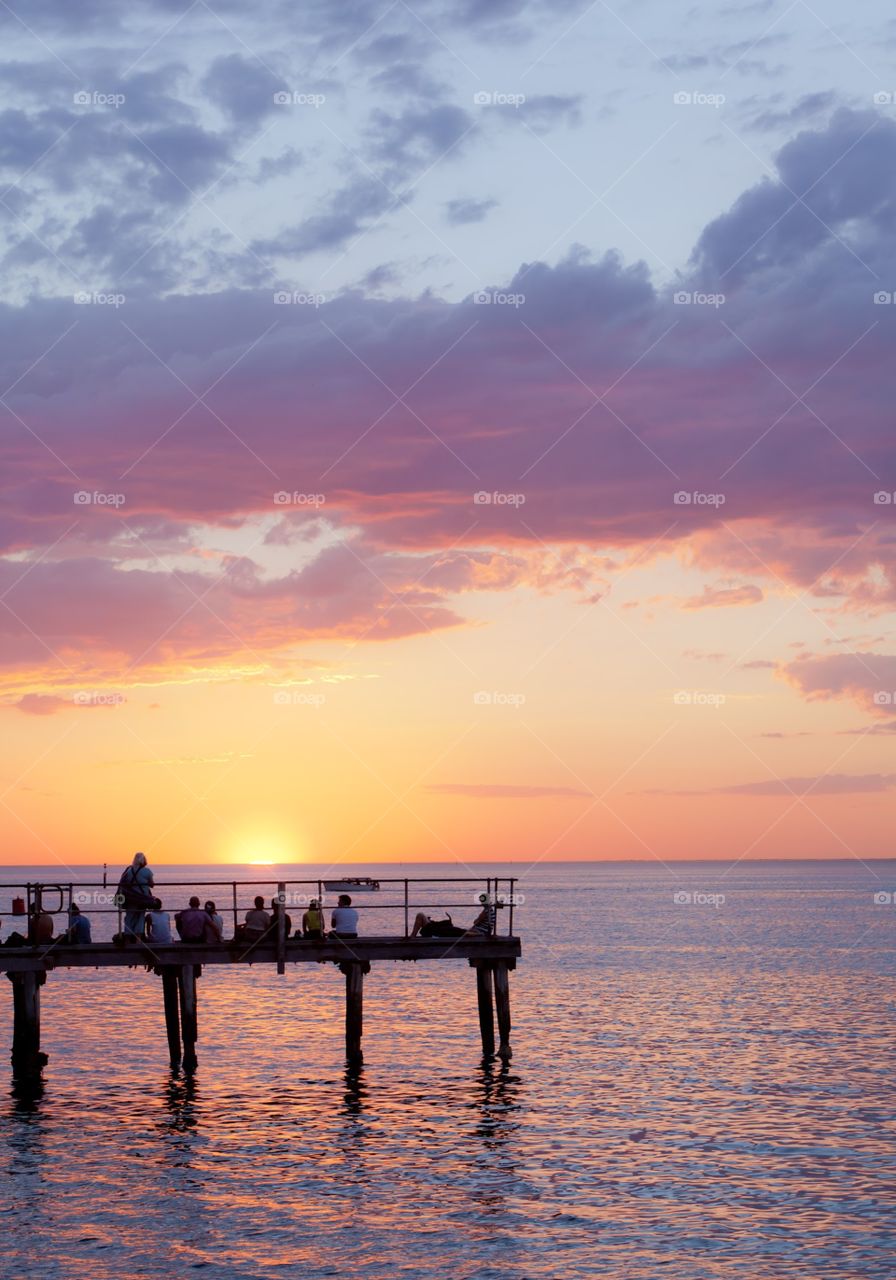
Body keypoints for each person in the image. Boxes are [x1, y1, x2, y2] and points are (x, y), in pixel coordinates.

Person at [120, 852, 154, 939]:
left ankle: (127, 939)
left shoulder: (128, 870)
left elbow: (124, 883)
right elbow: (152, 884)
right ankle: (138, 940)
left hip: (130, 898)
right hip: (142, 899)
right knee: (140, 917)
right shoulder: (147, 871)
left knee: (129, 918)